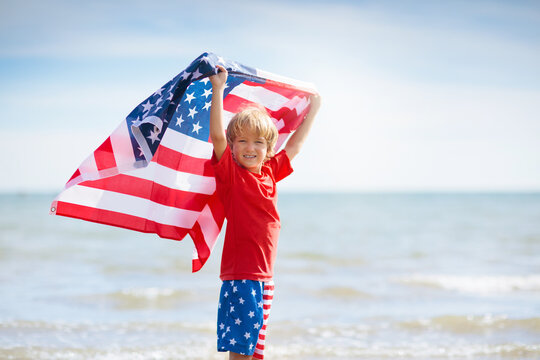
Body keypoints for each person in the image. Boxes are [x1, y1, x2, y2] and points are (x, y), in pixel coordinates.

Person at [209, 65, 320, 359]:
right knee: (241, 350)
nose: (249, 147)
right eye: (242, 141)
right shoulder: (231, 175)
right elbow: (218, 137)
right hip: (242, 276)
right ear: (233, 147)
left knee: (256, 350)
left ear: (268, 147)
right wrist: (218, 88)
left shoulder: (270, 171)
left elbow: (295, 145)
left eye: (258, 142)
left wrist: (315, 108)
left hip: (264, 278)